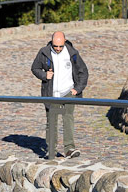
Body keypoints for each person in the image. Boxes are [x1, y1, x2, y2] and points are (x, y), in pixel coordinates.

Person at [31, 30, 88, 158]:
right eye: (55, 46)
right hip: (51, 93)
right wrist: (44, 75)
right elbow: (34, 68)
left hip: (68, 92)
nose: (57, 49)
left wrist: (77, 89)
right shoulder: (44, 52)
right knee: (51, 121)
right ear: (51, 42)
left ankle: (69, 148)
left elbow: (83, 72)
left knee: (68, 119)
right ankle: (51, 149)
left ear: (64, 42)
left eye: (60, 46)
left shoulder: (72, 53)